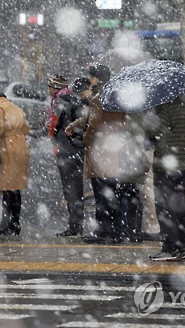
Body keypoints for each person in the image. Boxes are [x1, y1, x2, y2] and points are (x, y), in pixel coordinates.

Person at [76, 64, 147, 244]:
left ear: (96, 78)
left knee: (101, 194)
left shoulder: (99, 98)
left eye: (92, 77)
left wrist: (86, 138)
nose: (90, 80)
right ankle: (115, 231)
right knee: (111, 193)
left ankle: (104, 232)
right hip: (114, 151)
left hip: (100, 151)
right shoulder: (118, 96)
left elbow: (93, 125)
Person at [145, 94, 185, 261]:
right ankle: (183, 246)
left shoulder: (165, 107)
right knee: (179, 206)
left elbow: (154, 131)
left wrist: (150, 119)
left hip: (167, 164)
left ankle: (171, 247)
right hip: (184, 163)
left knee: (165, 208)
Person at [46, 74, 86, 237]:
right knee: (77, 188)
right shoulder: (74, 100)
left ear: (55, 87)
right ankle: (78, 223)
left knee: (70, 188)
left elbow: (54, 124)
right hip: (77, 148)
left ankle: (74, 225)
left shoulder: (60, 101)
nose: (48, 89)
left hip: (67, 149)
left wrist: (51, 136)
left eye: (50, 86)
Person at [0, 93, 30, 236]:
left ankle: (5, 224)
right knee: (16, 188)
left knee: (7, 187)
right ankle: (15, 223)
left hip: (8, 148)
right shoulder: (15, 107)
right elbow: (26, 128)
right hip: (21, 147)